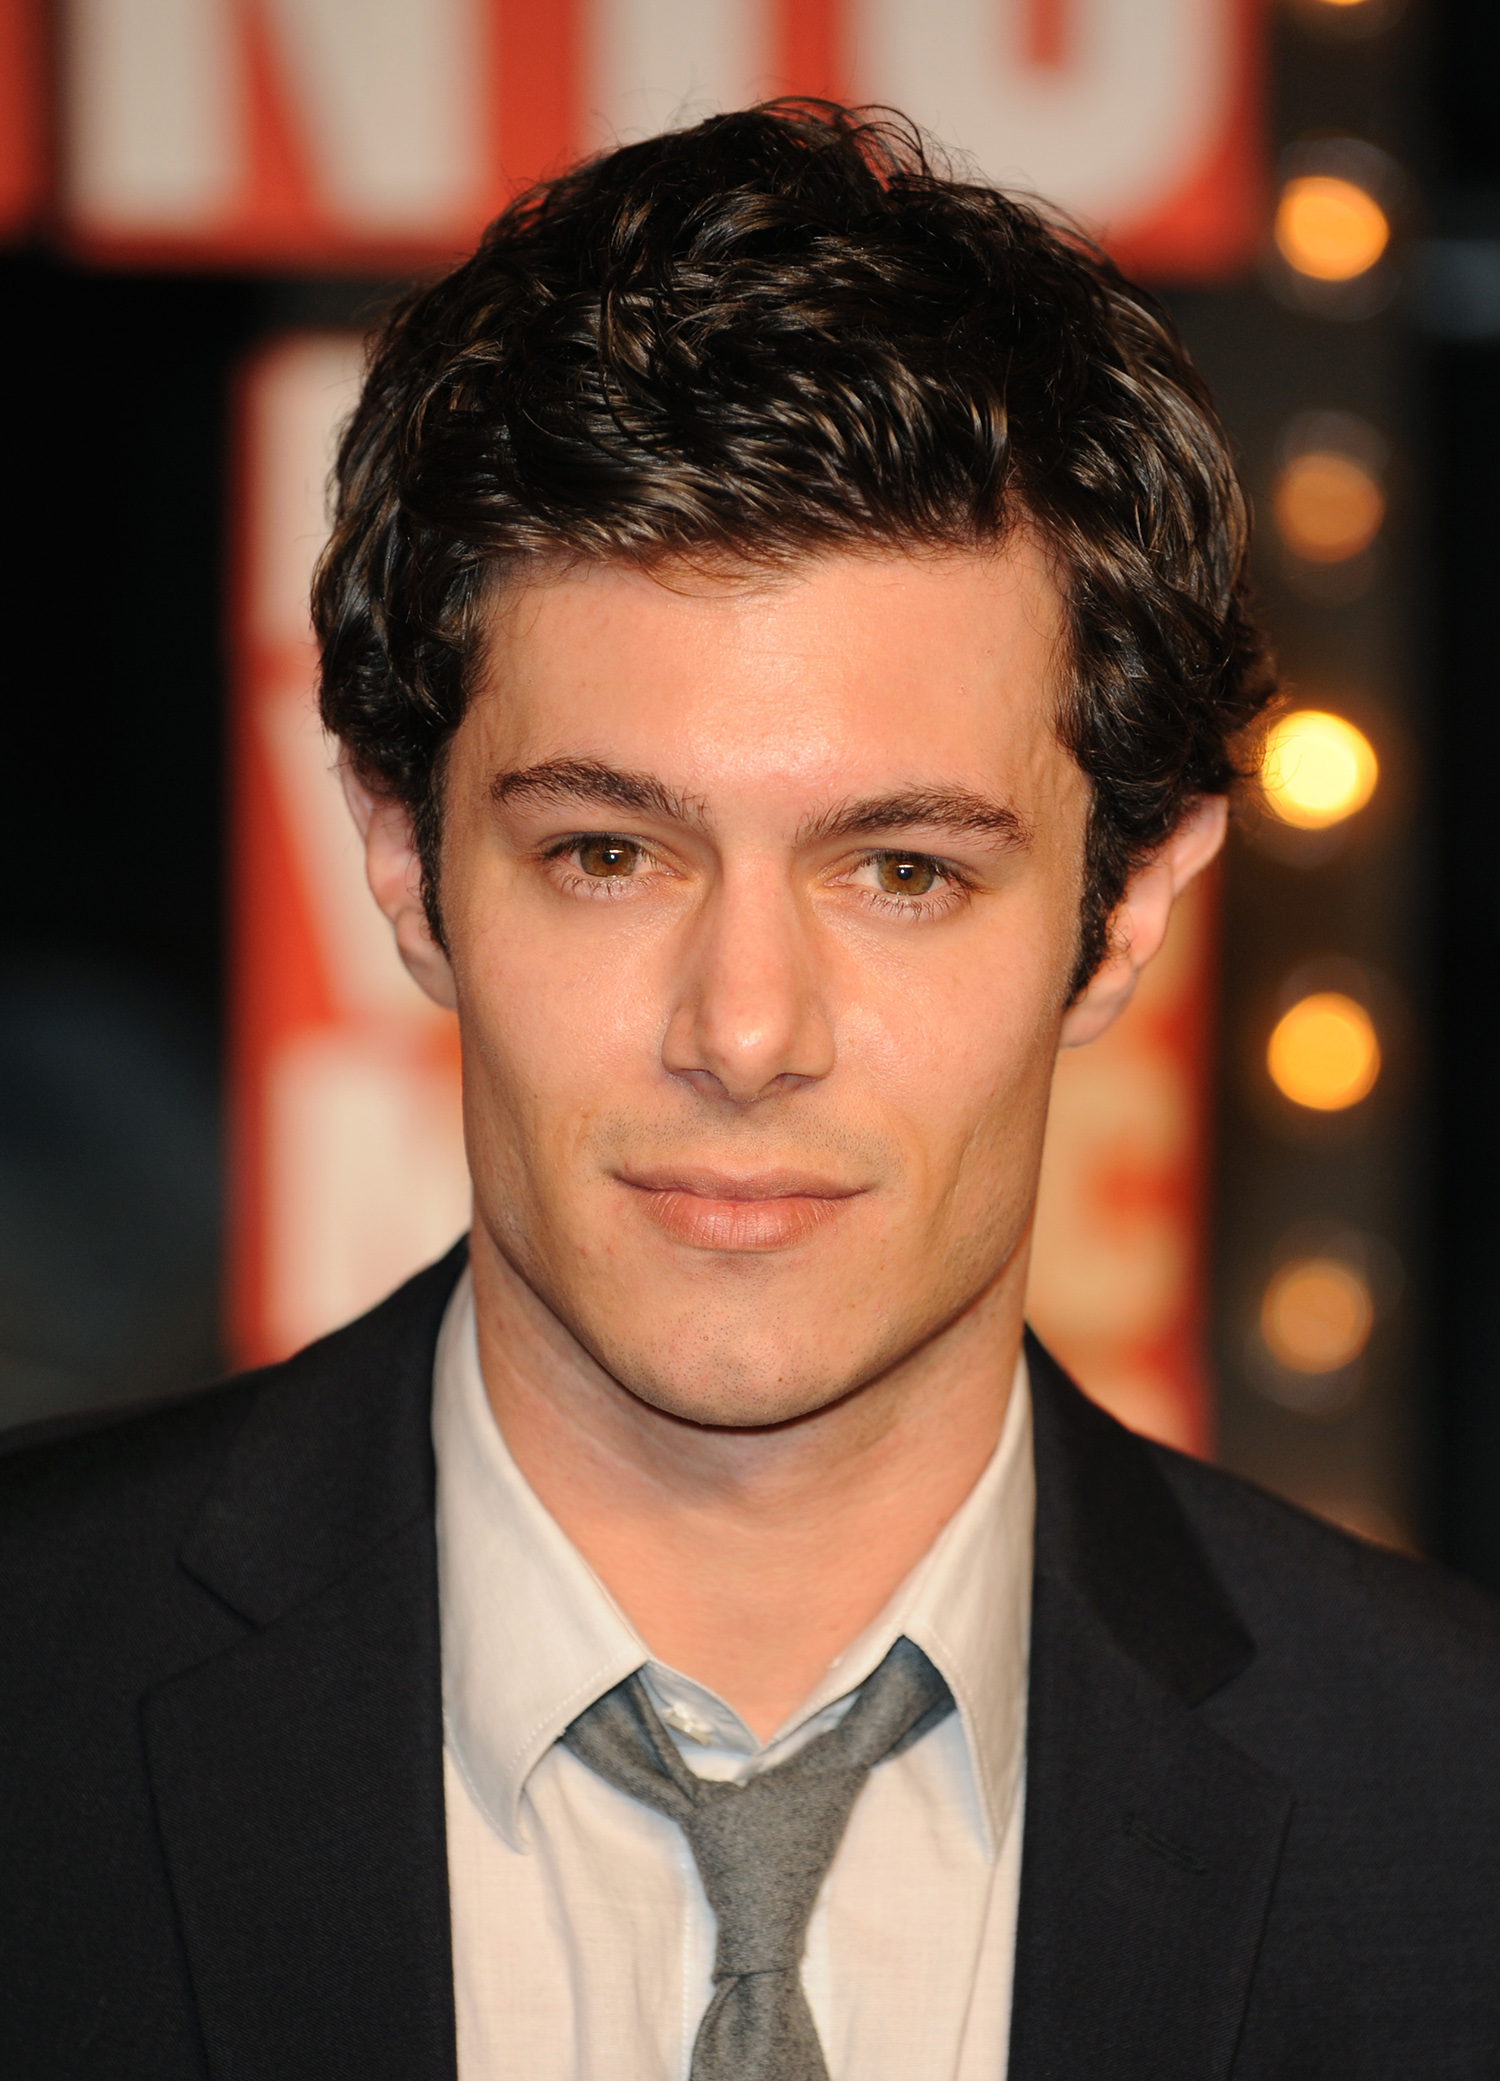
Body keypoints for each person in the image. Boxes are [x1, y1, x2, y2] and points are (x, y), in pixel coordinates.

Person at [4, 103, 1498, 2081]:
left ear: (1129, 906)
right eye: (610, 852)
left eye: (905, 871)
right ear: (404, 859)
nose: (743, 1026)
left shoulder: (1456, 1820)